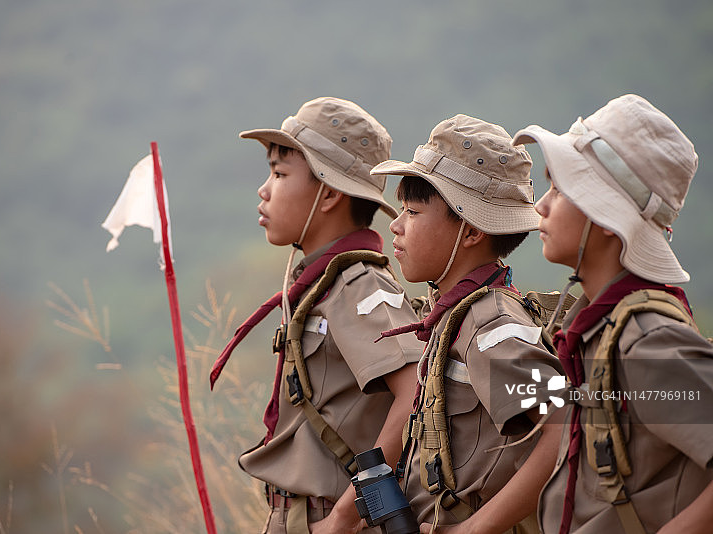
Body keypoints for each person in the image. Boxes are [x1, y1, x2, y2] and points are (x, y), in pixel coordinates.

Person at [209, 96, 423, 533]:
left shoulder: (358, 285)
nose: (264, 189)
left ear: (327, 193)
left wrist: (347, 514)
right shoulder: (320, 286)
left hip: (331, 518)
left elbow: (417, 390)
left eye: (280, 174)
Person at [513, 93, 713, 533]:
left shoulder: (645, 340)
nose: (541, 206)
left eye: (560, 189)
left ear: (605, 217)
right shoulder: (590, 329)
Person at [372, 115, 566, 533]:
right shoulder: (453, 314)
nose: (395, 224)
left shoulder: (491, 324)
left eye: (412, 211)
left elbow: (564, 428)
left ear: (471, 229)